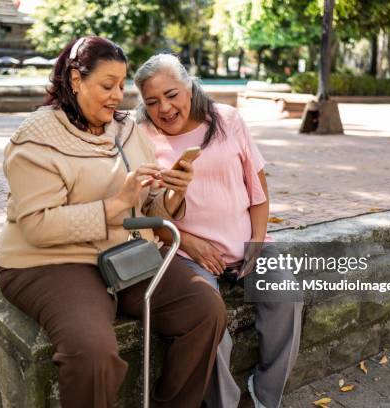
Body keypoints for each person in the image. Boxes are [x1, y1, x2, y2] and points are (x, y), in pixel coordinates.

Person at [0, 37, 227, 408]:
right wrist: (117, 204)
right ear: (75, 79)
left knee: (206, 310)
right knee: (92, 352)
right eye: (107, 85)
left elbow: (149, 203)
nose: (118, 95)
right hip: (52, 262)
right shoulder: (36, 139)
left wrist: (173, 194)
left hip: (124, 253)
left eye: (121, 85)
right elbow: (38, 226)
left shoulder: (127, 131)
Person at [134, 54, 304, 408]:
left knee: (287, 296)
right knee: (211, 322)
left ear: (189, 86)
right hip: (186, 253)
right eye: (152, 101)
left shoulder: (227, 120)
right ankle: (225, 403)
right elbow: (150, 216)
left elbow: (258, 189)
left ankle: (265, 396)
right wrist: (192, 244)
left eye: (171, 94)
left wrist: (256, 240)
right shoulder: (143, 138)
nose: (164, 108)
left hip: (246, 242)